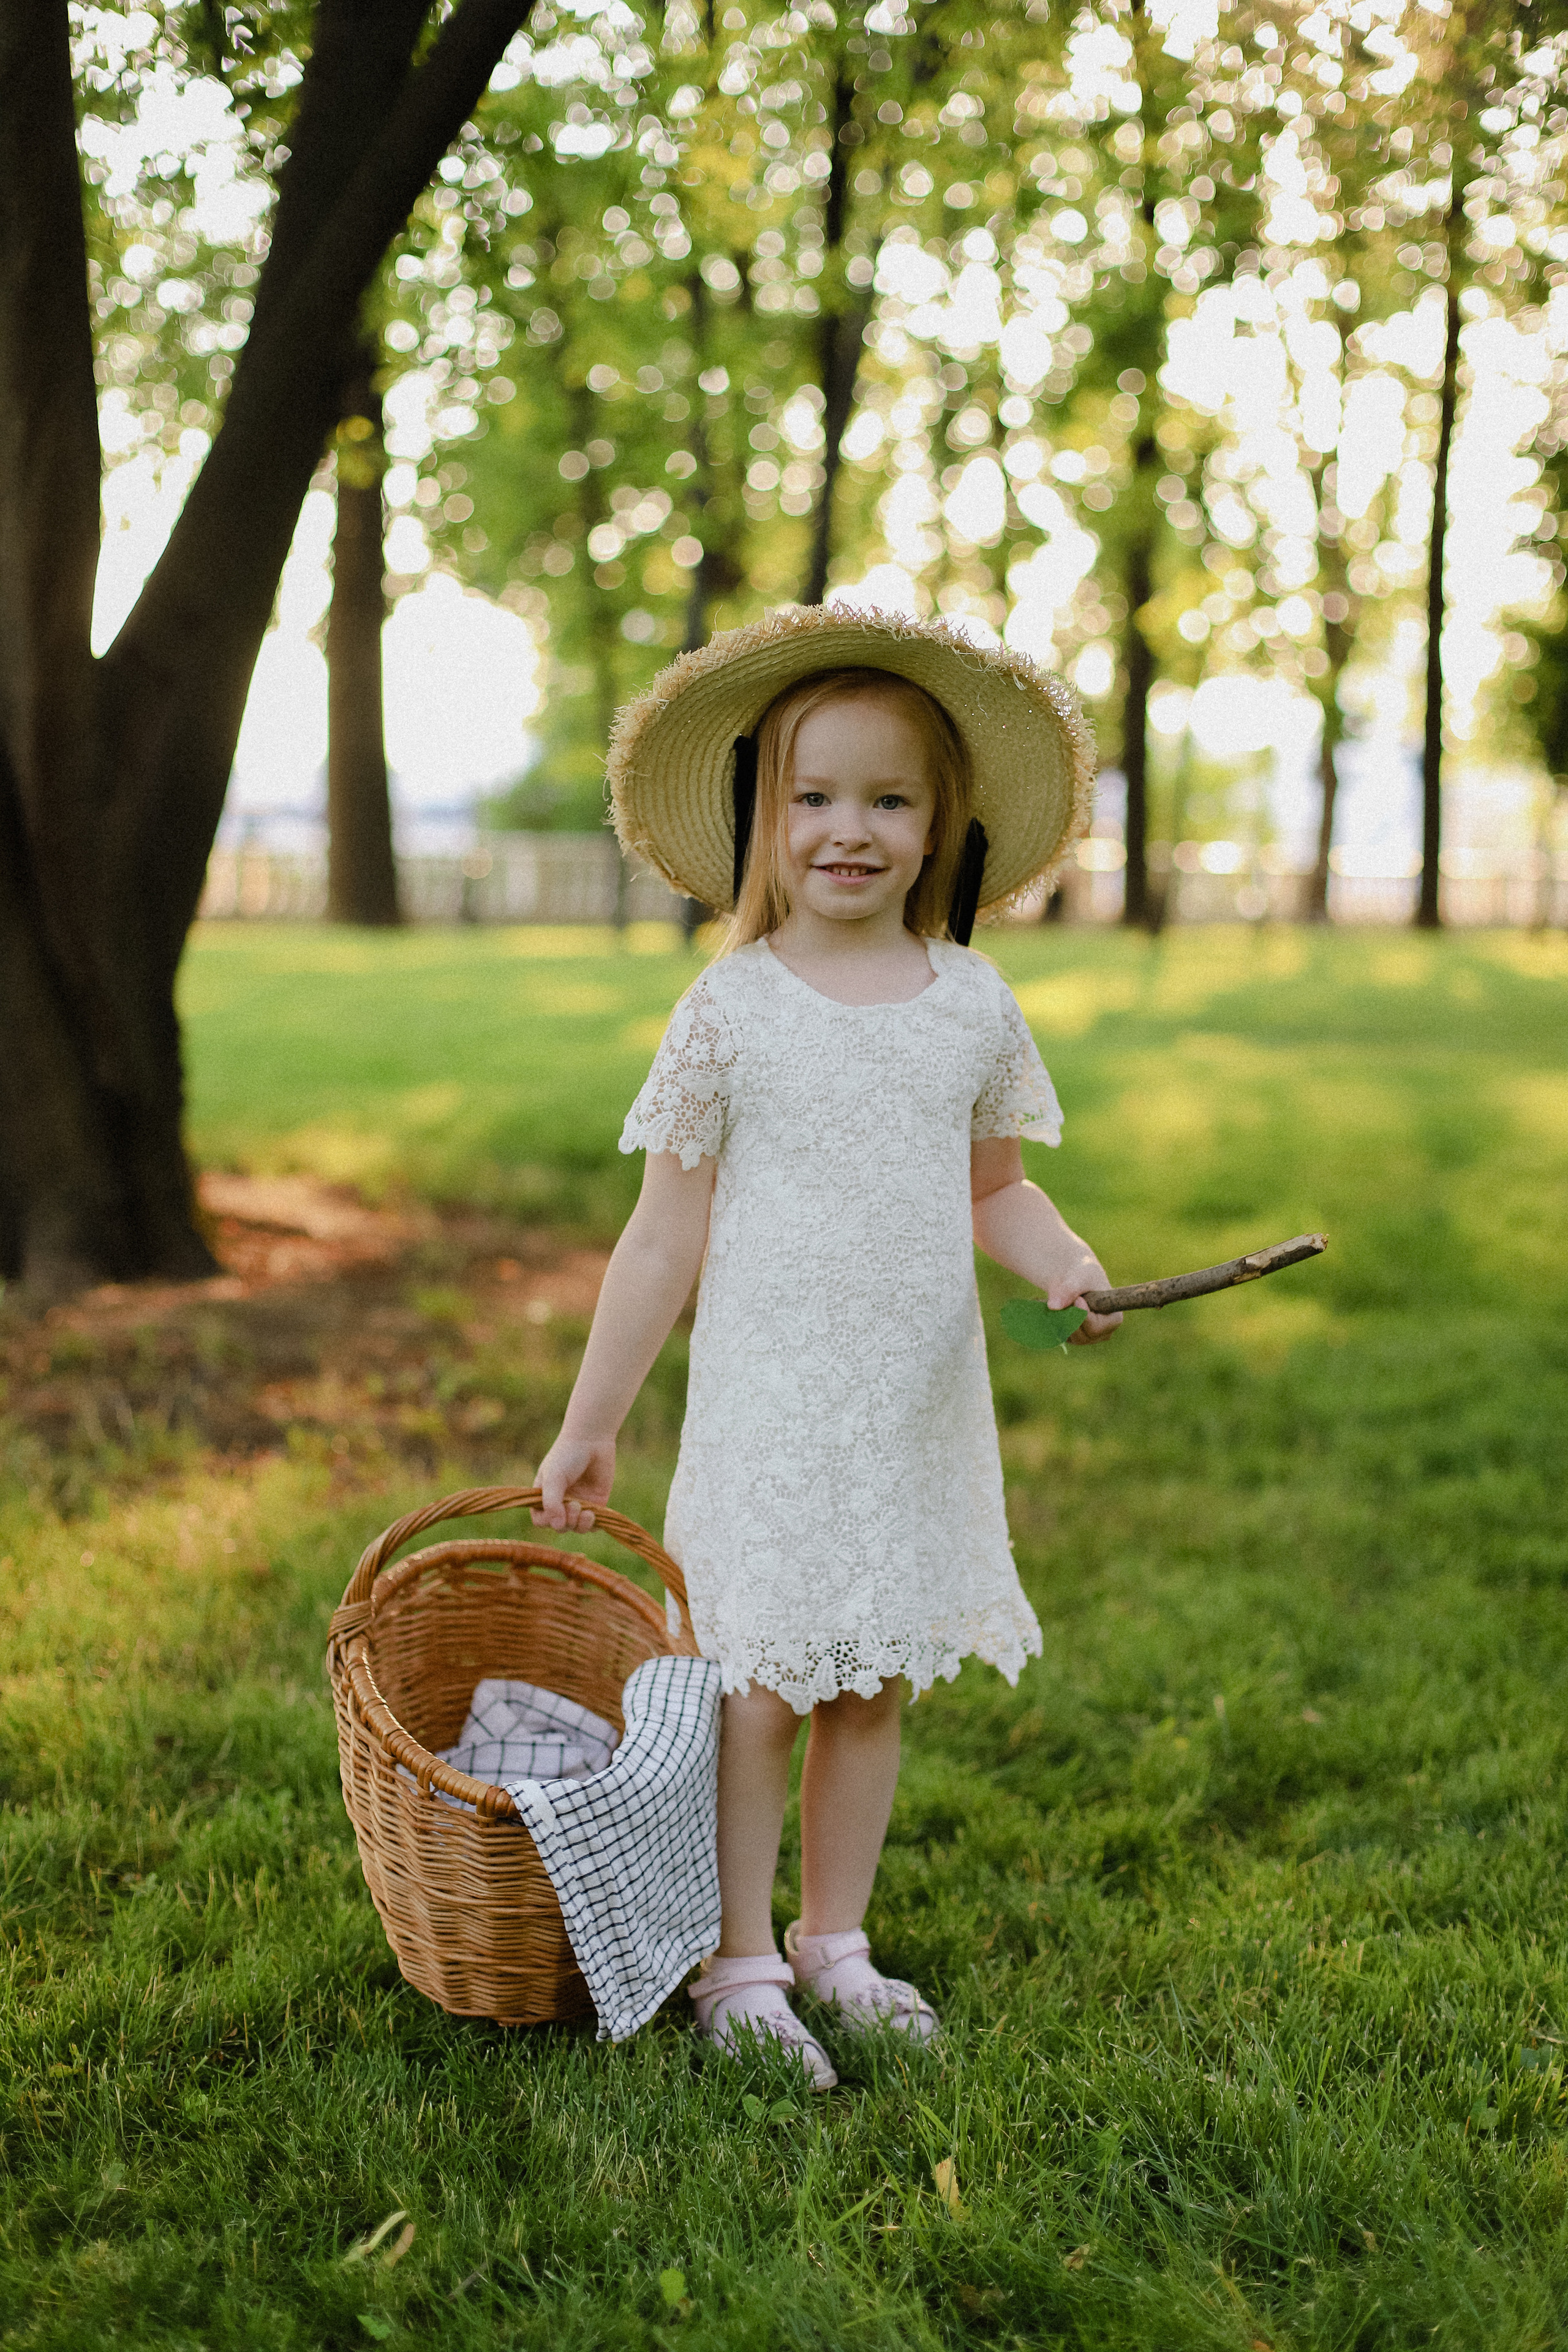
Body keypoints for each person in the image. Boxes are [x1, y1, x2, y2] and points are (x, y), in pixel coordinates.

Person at [533, 606, 1121, 2089]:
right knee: (758, 1688)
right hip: (771, 1414)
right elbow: (660, 1236)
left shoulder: (967, 1006)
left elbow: (991, 1189)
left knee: (871, 1683)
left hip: (910, 1412)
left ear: (938, 827)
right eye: (812, 797)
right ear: (761, 818)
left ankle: (829, 1938)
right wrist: (591, 1419)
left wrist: (1060, 1264)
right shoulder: (731, 1012)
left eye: (887, 800)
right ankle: (736, 1959)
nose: (845, 830)